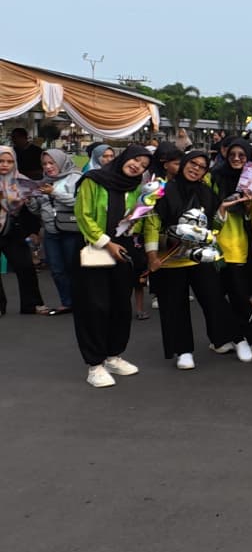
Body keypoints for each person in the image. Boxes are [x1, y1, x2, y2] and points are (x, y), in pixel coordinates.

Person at [145, 150, 249, 369]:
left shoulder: (206, 193)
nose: (196, 169)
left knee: (214, 299)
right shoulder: (164, 191)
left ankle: (236, 338)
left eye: (202, 167)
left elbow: (214, 228)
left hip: (199, 256)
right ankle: (183, 350)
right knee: (175, 305)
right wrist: (152, 255)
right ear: (184, 163)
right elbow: (152, 224)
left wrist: (222, 210)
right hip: (170, 257)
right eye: (193, 163)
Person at [72, 144, 151, 387]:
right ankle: (94, 364)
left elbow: (137, 218)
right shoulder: (93, 180)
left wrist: (133, 222)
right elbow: (83, 215)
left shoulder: (136, 187)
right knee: (95, 307)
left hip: (122, 251)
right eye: (136, 160)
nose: (137, 166)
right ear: (124, 157)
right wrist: (107, 243)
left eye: (144, 165)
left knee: (120, 305)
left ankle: (113, 355)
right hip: (95, 249)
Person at [209, 137, 252, 358]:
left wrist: (248, 206)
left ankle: (251, 339)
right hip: (215, 247)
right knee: (216, 298)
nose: (236, 159)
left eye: (241, 155)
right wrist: (222, 208)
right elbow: (208, 210)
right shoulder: (214, 178)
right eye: (232, 154)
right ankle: (225, 337)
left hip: (240, 249)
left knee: (242, 298)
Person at [28, 149, 82, 314]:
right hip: (50, 231)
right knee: (57, 269)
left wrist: (54, 193)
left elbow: (78, 202)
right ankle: (67, 302)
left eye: (52, 163)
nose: (48, 167)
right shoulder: (43, 182)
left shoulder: (76, 178)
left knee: (73, 267)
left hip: (70, 230)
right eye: (44, 164)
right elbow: (37, 210)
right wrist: (30, 200)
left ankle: (80, 301)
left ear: (61, 162)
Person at [1, 146, 44, 316]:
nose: (5, 165)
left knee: (25, 266)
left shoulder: (23, 182)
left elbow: (33, 211)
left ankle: (31, 304)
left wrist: (33, 231)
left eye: (9, 161)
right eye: (1, 161)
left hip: (15, 229)